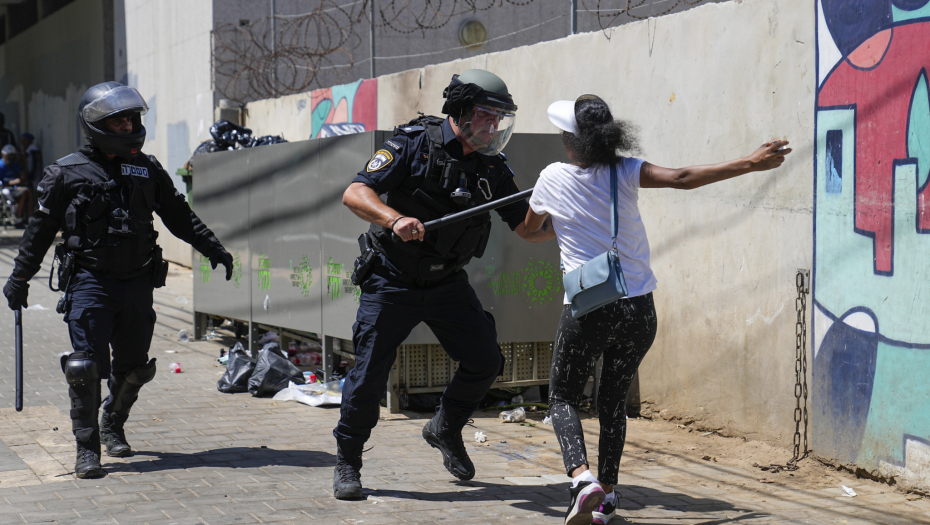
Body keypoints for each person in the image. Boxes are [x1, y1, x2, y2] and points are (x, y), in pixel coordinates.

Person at [523, 95, 791, 525]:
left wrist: (560, 221)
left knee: (562, 397)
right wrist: (750, 162)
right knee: (613, 401)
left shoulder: (551, 177)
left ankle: (582, 479)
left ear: (573, 142)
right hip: (638, 310)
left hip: (588, 308)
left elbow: (530, 230)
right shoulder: (626, 170)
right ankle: (607, 498)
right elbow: (682, 177)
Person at [334, 69, 556, 500]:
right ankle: (348, 462)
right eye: (486, 115)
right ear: (460, 110)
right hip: (391, 280)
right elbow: (355, 193)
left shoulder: (492, 167)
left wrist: (569, 220)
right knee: (368, 376)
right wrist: (394, 219)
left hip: (446, 283)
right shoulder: (412, 143)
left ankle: (445, 427)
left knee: (485, 360)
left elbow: (527, 229)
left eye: (499, 118)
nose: (493, 126)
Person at [2, 82, 235, 479]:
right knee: (85, 366)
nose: (128, 127)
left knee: (135, 368)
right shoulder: (65, 173)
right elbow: (39, 231)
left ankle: (112, 420)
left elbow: (178, 214)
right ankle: (87, 448)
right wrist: (20, 277)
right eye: (119, 121)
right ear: (96, 125)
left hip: (138, 282)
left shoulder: (147, 168)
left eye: (131, 120)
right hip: (90, 282)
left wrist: (212, 247)